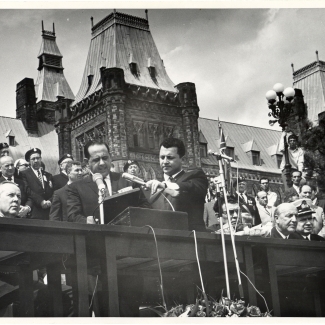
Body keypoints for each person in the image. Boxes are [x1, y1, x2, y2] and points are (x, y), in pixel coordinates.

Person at [145, 138, 208, 232]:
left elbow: (191, 188)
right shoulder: (157, 185)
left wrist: (166, 185)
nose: (165, 161)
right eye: (162, 157)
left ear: (183, 159)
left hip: (191, 239)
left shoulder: (196, 176)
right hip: (162, 239)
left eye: (170, 157)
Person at [67, 141, 131, 224]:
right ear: (87, 162)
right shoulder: (76, 187)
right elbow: (72, 216)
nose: (102, 163)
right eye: (96, 160)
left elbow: (144, 206)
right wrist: (86, 221)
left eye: (105, 158)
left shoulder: (126, 180)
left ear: (110, 157)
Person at [20, 148, 53, 220]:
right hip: (34, 212)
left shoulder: (48, 175)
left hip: (48, 212)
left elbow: (53, 191)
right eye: (33, 159)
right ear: (29, 161)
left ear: (41, 159)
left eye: (38, 158)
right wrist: (41, 201)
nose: (36, 161)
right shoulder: (24, 174)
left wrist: (50, 201)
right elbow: (28, 190)